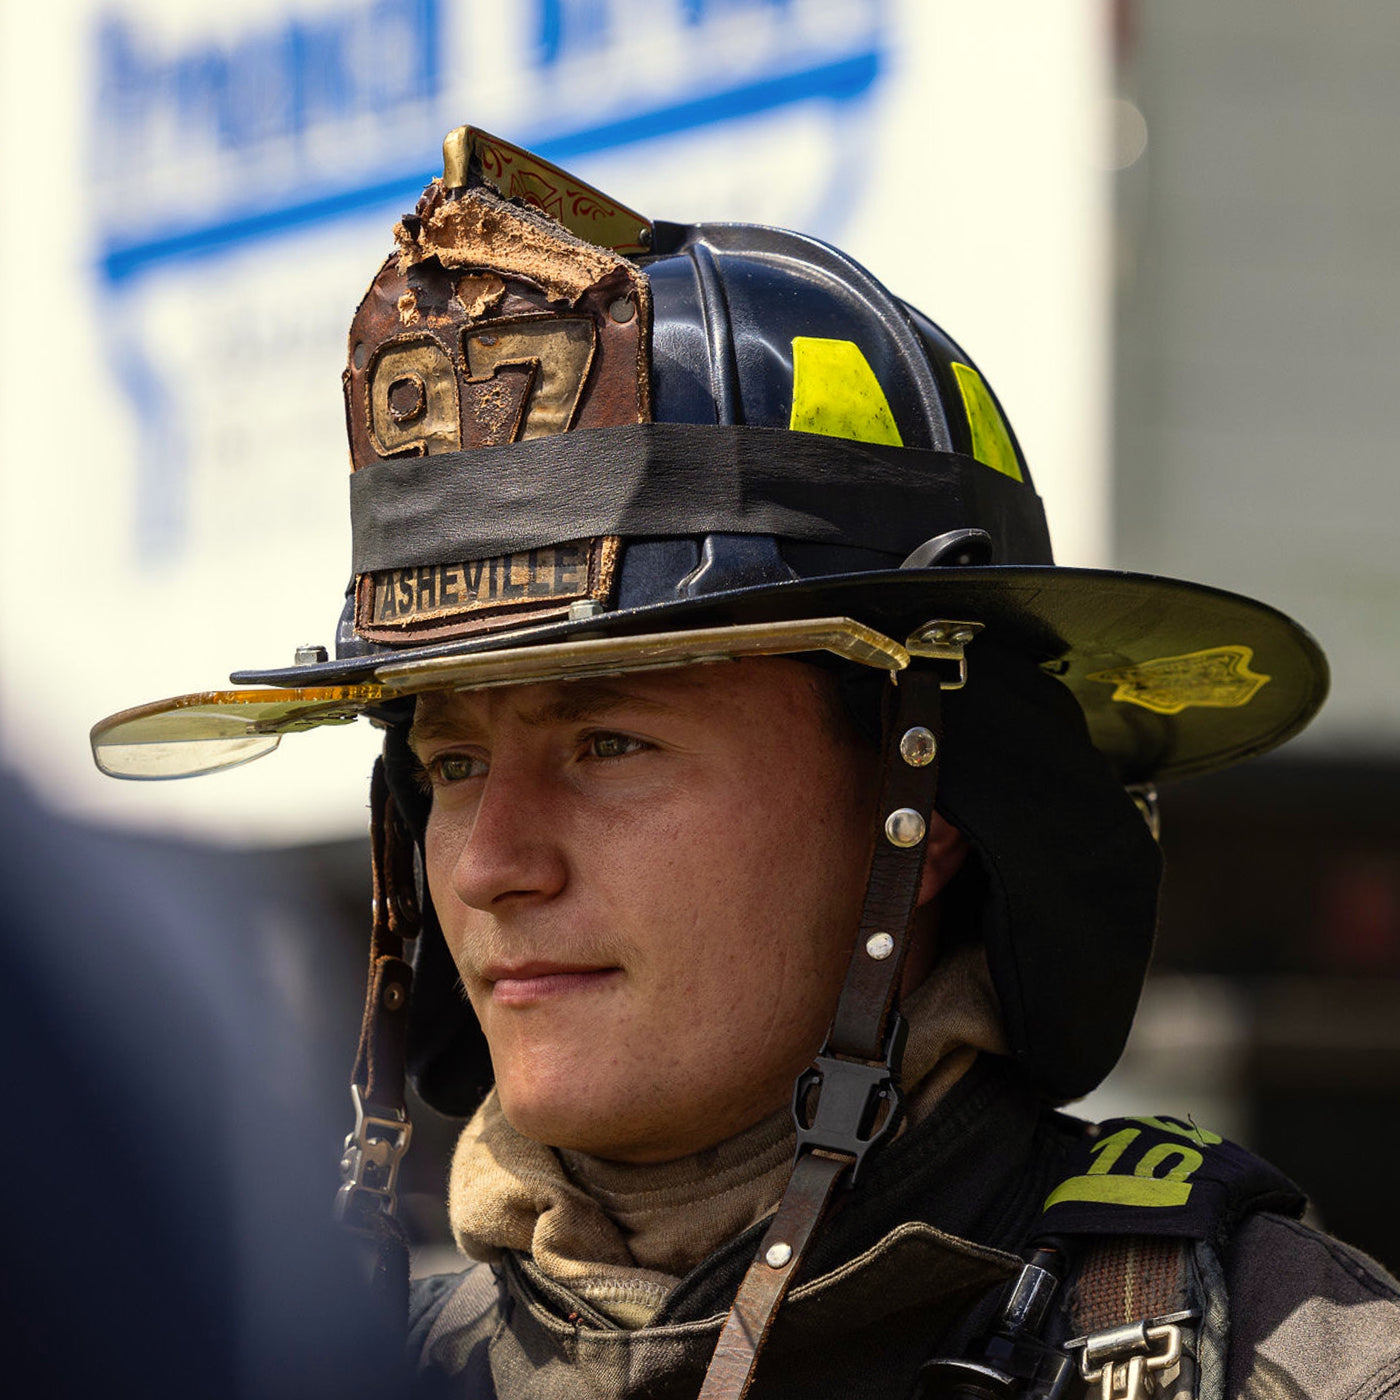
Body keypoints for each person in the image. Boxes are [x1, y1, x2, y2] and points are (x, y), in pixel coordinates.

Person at [92, 127, 1400, 1399]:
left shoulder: (1286, 1364)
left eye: (611, 744)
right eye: (451, 767)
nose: (492, 869)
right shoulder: (336, 1370)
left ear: (929, 808)